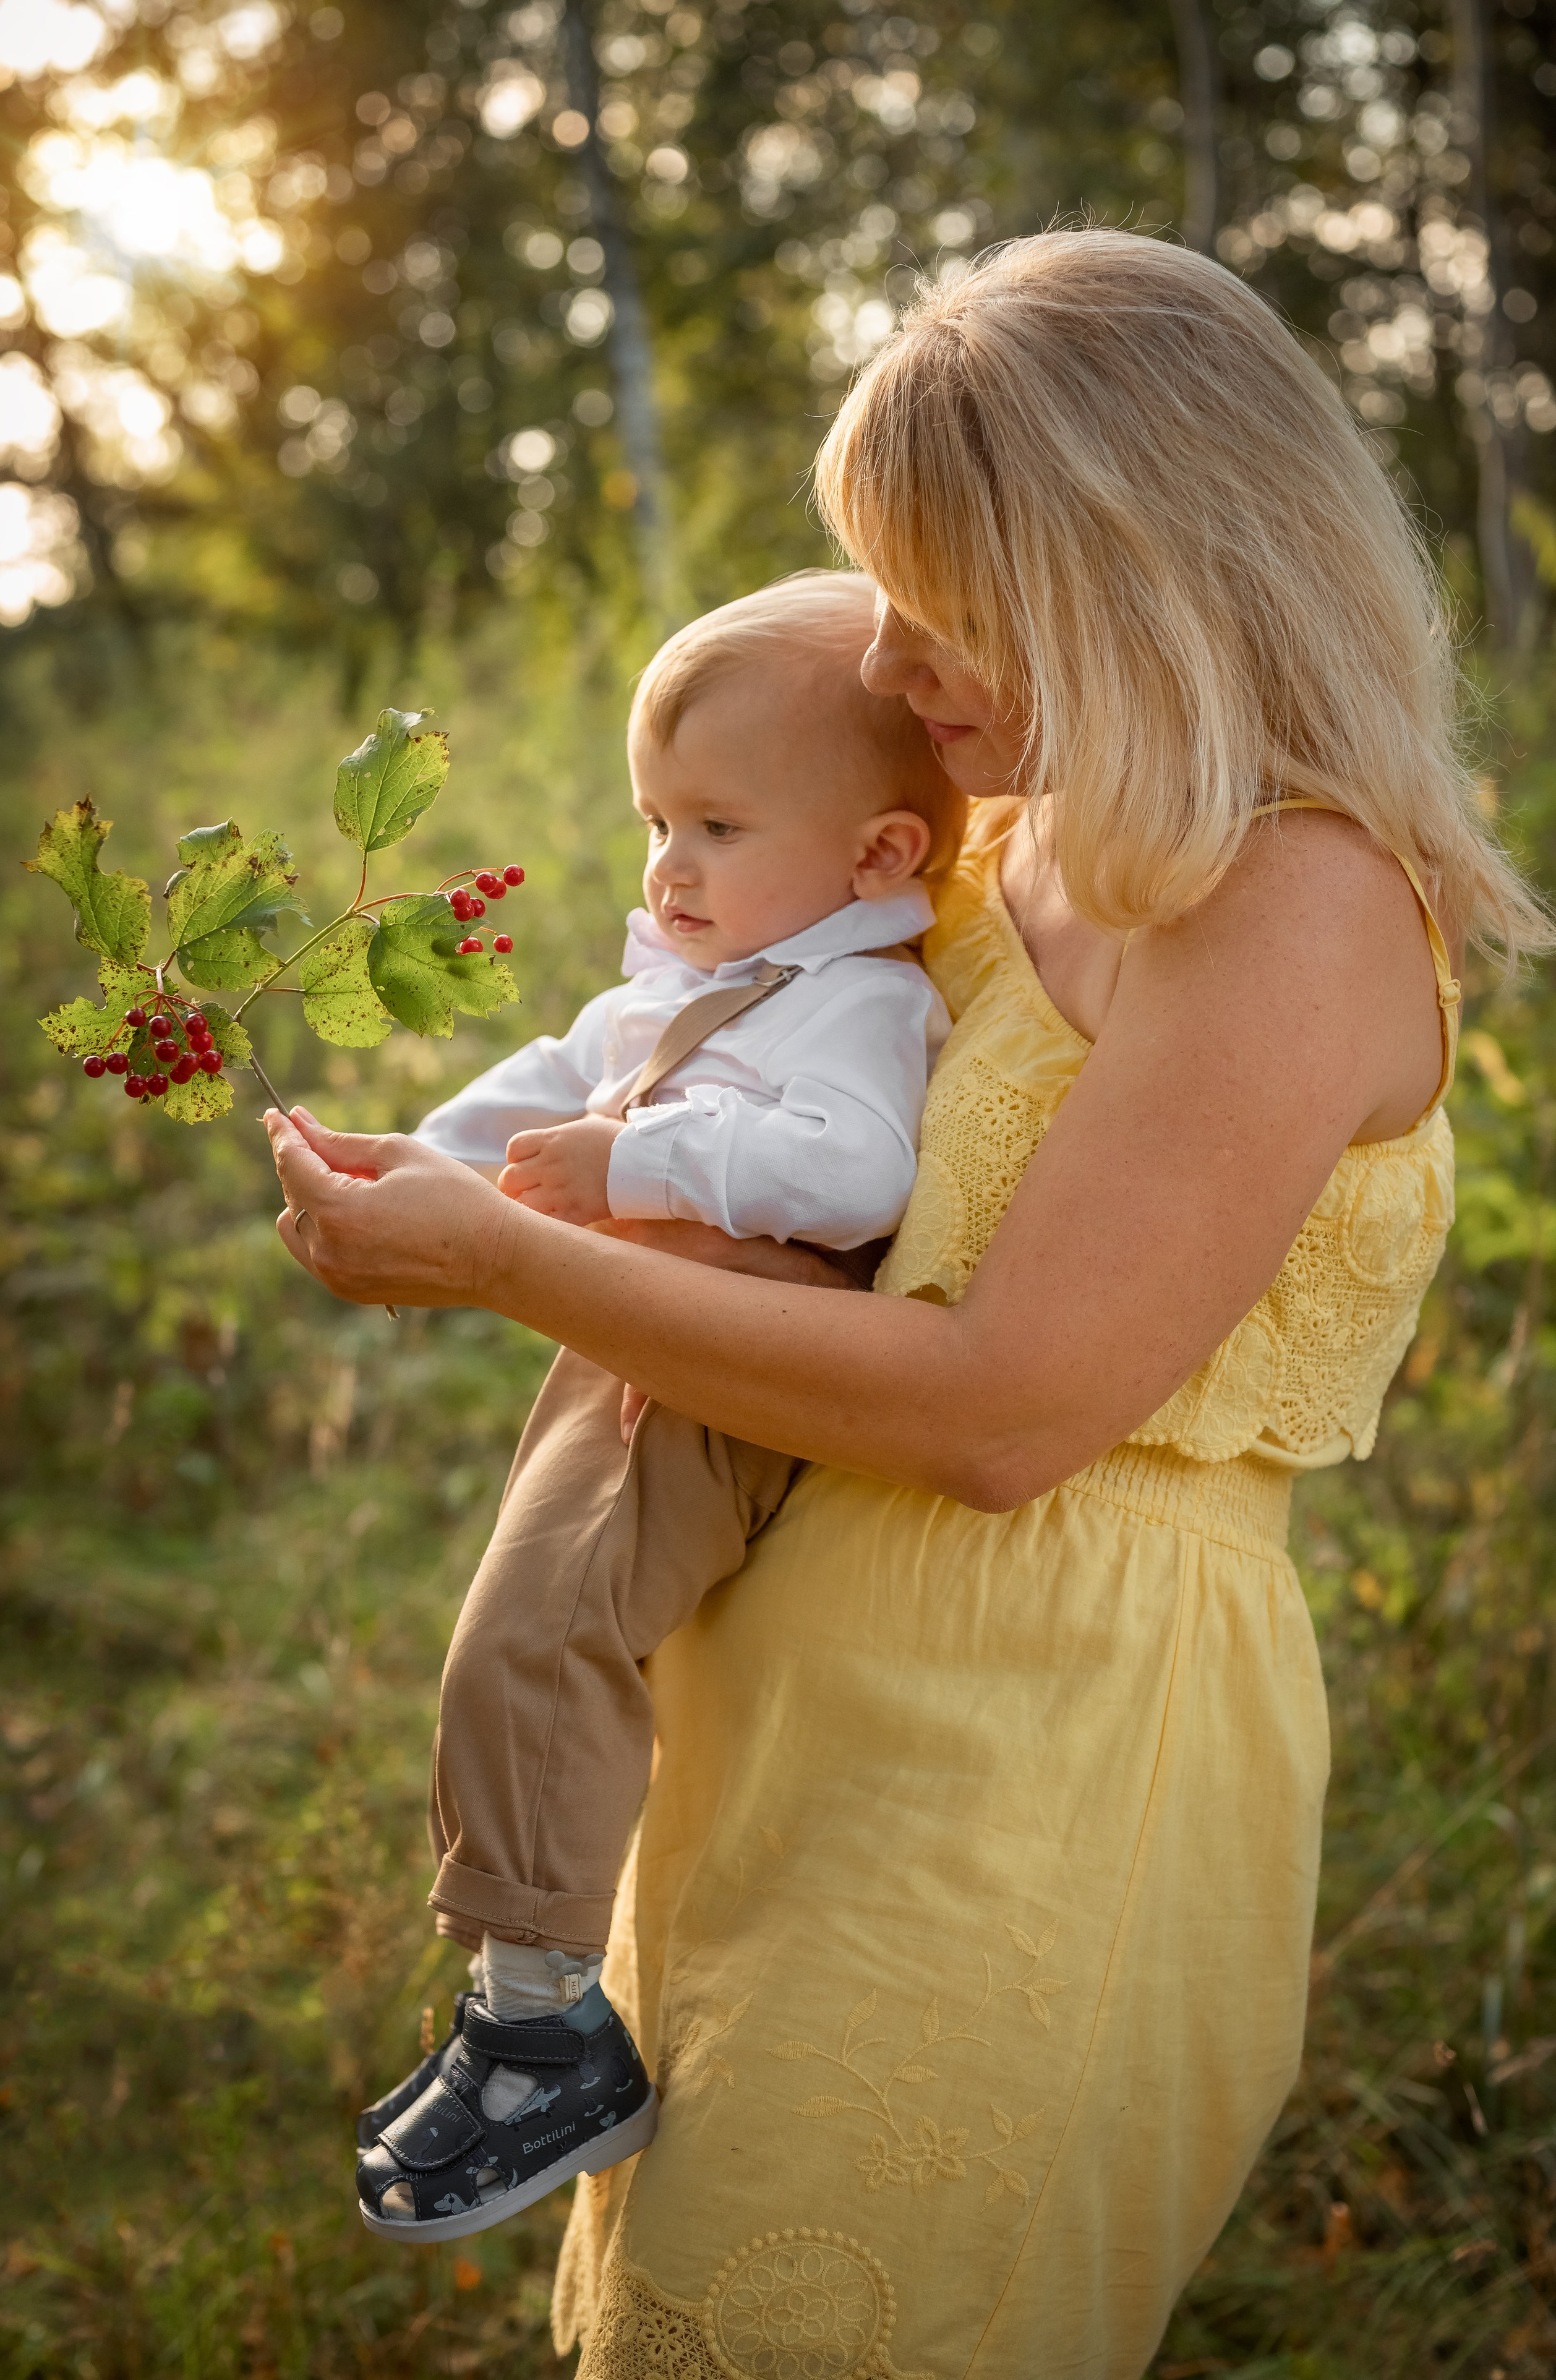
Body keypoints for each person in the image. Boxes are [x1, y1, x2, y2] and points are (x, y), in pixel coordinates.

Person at [268, 229, 1549, 2375]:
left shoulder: (1293, 899)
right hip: (783, 1700)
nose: (886, 652)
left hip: (1042, 1746)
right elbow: (741, 1110)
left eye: (945, 599)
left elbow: (1004, 1409)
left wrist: (507, 1262)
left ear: (1135, 583)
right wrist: (487, 1165)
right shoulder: (973, 846)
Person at [353, 574, 960, 2242]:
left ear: (880, 855)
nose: (667, 867)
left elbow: (860, 1172)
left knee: (541, 1634)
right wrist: (410, 1166)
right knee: (515, 1625)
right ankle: (517, 1996)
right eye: (655, 822)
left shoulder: (858, 998)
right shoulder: (713, 967)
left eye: (715, 825)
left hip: (720, 1369)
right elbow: (559, 1075)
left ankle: (545, 2034)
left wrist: (638, 1162)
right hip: (637, 1346)